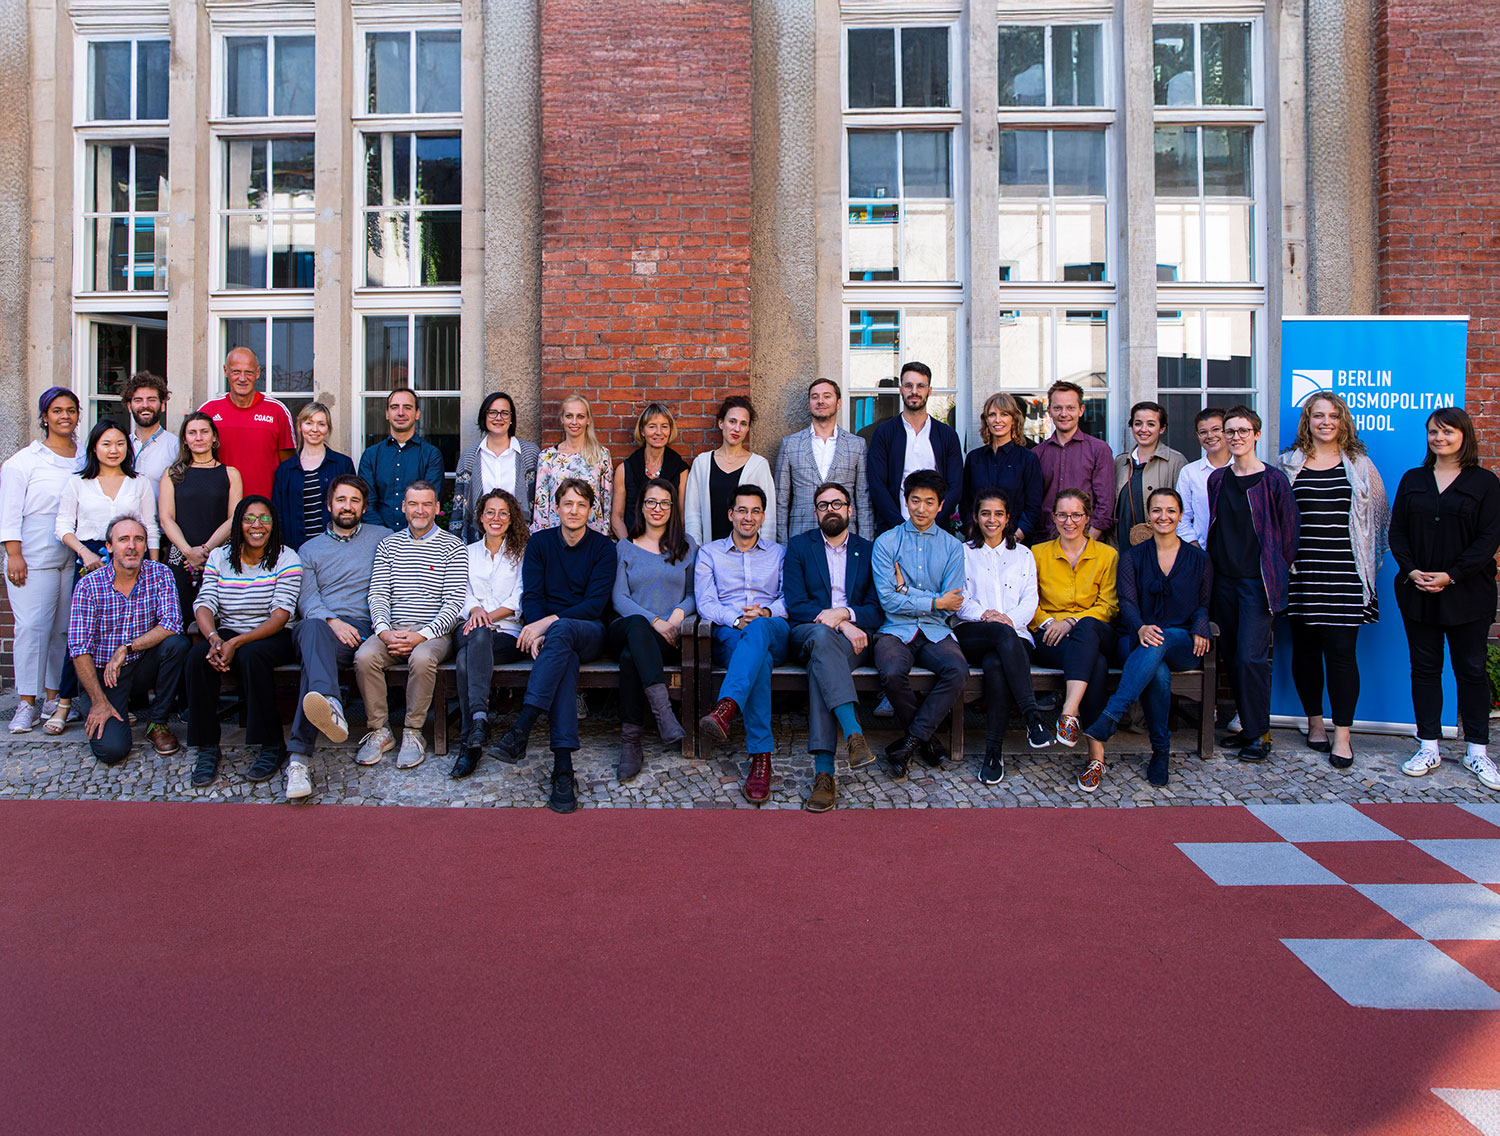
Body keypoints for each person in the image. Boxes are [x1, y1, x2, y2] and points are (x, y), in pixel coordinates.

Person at [1392, 407, 1500, 792]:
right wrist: (1411, 570)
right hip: (1417, 591)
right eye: (1433, 432)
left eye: (1447, 432)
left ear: (1464, 436)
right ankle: (1428, 745)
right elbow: (1397, 532)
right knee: (1424, 669)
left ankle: (1477, 750)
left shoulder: (1485, 483)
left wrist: (1452, 575)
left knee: (1471, 669)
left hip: (1469, 593)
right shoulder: (1414, 479)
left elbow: (1489, 540)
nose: (1439, 438)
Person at [494, 479, 617, 814]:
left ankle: (524, 724)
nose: (574, 510)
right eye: (567, 504)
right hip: (556, 640)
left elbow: (594, 605)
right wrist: (540, 629)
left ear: (591, 510)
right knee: (564, 662)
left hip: (590, 632)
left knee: (562, 633)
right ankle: (563, 768)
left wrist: (544, 626)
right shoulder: (539, 544)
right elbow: (532, 595)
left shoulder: (604, 549)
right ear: (556, 508)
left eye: (581, 505)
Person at [1280, 392, 1388, 768]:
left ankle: (1343, 733)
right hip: (1302, 575)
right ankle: (1314, 723)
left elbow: (1379, 522)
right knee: (1306, 653)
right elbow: (1274, 519)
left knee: (1342, 655)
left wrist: (1367, 570)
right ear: (1307, 420)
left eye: (1334, 416)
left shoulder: (1360, 465)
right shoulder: (1288, 465)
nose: (1326, 422)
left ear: (1343, 421)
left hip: (1345, 575)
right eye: (1318, 415)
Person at [1081, 488, 1211, 788]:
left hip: (1181, 641)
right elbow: (1125, 602)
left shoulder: (1199, 559)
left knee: (1161, 640)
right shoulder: (1131, 557)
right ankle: (1160, 751)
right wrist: (1139, 627)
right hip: (1136, 640)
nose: (1163, 516)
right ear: (1148, 516)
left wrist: (1202, 623)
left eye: (1170, 510)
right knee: (1158, 673)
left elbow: (1204, 603)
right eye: (1156, 510)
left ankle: (1111, 714)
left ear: (1179, 515)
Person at [287, 475, 392, 801]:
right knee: (313, 629)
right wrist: (332, 621)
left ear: (364, 507)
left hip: (364, 629)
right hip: (322, 627)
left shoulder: (383, 538)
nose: (348, 506)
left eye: (355, 501)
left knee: (313, 674)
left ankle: (299, 761)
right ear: (329, 505)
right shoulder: (309, 549)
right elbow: (306, 600)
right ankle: (329, 701)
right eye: (342, 500)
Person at [185, 496, 302, 788]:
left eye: (264, 518)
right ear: (239, 523)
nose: (257, 525)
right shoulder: (219, 557)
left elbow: (280, 614)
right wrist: (213, 639)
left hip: (275, 634)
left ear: (273, 524)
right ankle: (207, 746)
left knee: (251, 654)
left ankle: (271, 744)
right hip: (228, 630)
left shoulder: (287, 558)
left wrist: (235, 644)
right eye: (249, 518)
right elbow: (204, 602)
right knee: (198, 657)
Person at [1207, 406, 1298, 764]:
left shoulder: (1274, 481)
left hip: (1256, 584)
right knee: (1232, 656)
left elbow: (1289, 537)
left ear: (1256, 435)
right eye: (1230, 431)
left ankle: (1260, 733)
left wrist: (1273, 570)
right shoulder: (1218, 479)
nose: (1236, 437)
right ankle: (1247, 729)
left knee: (1251, 657)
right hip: (1223, 582)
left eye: (1244, 431)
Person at [354, 481, 467, 771]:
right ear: (403, 507)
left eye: (427, 504)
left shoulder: (453, 547)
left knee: (422, 657)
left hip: (434, 632)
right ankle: (379, 730)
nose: (420, 510)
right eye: (413, 504)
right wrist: (383, 630)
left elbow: (454, 603)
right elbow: (378, 593)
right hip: (393, 627)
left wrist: (421, 636)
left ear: (437, 509)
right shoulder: (389, 545)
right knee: (365, 657)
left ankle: (413, 732)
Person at [783, 481, 881, 812]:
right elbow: (795, 605)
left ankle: (824, 775)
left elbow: (876, 608)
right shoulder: (799, 547)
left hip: (853, 641)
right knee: (823, 640)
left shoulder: (868, 550)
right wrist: (841, 621)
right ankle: (853, 732)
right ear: (815, 513)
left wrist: (848, 614)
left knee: (821, 667)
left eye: (837, 504)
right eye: (823, 505)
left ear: (850, 510)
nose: (831, 510)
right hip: (807, 634)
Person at [65, 514, 187, 765]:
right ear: (109, 547)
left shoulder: (160, 574)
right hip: (104, 676)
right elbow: (79, 649)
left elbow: (172, 624)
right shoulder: (89, 586)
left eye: (138, 539)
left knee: (177, 645)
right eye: (123, 539)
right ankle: (104, 704)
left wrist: (127, 647)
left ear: (145, 545)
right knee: (112, 751)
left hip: (141, 665)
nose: (131, 546)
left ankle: (158, 722)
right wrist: (98, 702)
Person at [697, 484, 790, 805]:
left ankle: (726, 707)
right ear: (730, 515)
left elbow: (791, 598)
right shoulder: (709, 554)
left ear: (763, 516)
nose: (748, 517)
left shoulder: (779, 554)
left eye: (754, 511)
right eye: (741, 510)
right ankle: (761, 757)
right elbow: (706, 602)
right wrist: (736, 619)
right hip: (731, 634)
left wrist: (765, 612)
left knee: (761, 631)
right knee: (757, 661)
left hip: (774, 630)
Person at [872, 470, 968, 778]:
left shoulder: (953, 547)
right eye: (915, 501)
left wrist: (908, 591)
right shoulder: (886, 543)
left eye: (929, 502)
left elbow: (951, 602)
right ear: (906, 501)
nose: (921, 509)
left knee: (957, 670)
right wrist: (933, 601)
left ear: (941, 506)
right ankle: (926, 740)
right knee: (890, 671)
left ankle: (910, 742)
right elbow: (888, 601)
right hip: (895, 630)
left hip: (936, 630)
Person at [954, 488, 1052, 786]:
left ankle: (993, 752)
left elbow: (1030, 599)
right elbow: (961, 598)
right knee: (998, 635)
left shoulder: (1023, 554)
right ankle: (1032, 717)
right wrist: (987, 616)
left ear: (1008, 518)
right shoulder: (963, 552)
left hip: (1014, 635)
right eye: (985, 513)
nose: (992, 519)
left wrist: (1008, 620)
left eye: (998, 513)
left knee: (997, 664)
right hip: (973, 632)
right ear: (975, 517)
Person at [2, 388, 83, 734]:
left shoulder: (84, 456)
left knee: (62, 629)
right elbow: (9, 511)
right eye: (56, 410)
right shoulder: (23, 461)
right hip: (33, 550)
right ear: (44, 416)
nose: (64, 416)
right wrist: (13, 553)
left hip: (73, 552)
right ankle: (26, 702)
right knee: (32, 627)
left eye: (70, 410)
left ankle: (53, 698)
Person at [1031, 487, 1119, 791]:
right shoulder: (1037, 553)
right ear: (1053, 517)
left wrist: (1071, 621)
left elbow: (1109, 606)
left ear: (1087, 517)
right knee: (1096, 663)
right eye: (1063, 515)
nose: (1070, 521)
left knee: (1088, 629)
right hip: (1050, 638)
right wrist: (1049, 622)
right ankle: (1097, 758)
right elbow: (1029, 604)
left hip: (1093, 630)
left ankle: (1068, 712)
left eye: (1076, 515)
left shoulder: (1107, 555)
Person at [610, 477, 696, 781]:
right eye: (651, 502)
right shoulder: (625, 547)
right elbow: (619, 598)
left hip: (668, 636)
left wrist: (676, 615)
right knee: (636, 626)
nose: (657, 508)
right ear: (641, 507)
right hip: (628, 626)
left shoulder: (687, 546)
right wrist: (654, 620)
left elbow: (694, 594)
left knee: (630, 658)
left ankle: (630, 742)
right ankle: (663, 713)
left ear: (673, 508)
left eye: (664, 503)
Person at [451, 489, 528, 780]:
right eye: (490, 513)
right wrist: (476, 613)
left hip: (507, 634)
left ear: (511, 519)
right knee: (477, 636)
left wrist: (486, 616)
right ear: (481, 517)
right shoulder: (465, 552)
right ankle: (480, 719)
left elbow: (520, 598)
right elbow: (460, 593)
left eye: (503, 513)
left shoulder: (521, 553)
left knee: (463, 661)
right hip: (469, 628)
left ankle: (469, 741)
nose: (496, 518)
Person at [158, 413, 243, 628]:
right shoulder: (172, 474)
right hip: (180, 558)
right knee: (180, 621)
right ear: (185, 440)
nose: (199, 438)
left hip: (218, 557)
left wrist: (205, 551)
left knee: (219, 621)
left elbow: (234, 518)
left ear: (214, 437)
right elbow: (166, 518)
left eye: (204, 432)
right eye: (192, 433)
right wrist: (188, 552)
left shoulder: (230, 473)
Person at [56, 420, 161, 590]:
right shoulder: (77, 483)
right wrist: (84, 552)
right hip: (91, 559)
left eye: (120, 444)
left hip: (133, 558)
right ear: (94, 448)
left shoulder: (140, 483)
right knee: (90, 614)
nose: (114, 450)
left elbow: (150, 527)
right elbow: (62, 527)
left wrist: (154, 567)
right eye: (106, 444)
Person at [866, 361, 963, 534]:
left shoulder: (947, 435)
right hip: (893, 529)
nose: (914, 392)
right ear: (900, 389)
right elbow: (876, 484)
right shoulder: (884, 433)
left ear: (929, 390)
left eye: (921, 386)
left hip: (937, 529)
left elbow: (955, 486)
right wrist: (899, 525)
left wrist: (933, 522)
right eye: (908, 386)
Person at [775, 379, 873, 539]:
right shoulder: (789, 444)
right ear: (809, 404)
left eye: (827, 396)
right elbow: (781, 501)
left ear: (839, 403)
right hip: (802, 532)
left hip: (845, 533)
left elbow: (863, 499)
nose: (820, 401)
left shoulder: (857, 445)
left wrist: (865, 543)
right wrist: (783, 545)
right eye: (815, 397)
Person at [199, 347, 295, 498]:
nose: (242, 378)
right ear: (226, 371)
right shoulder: (208, 411)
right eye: (236, 371)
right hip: (219, 505)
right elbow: (195, 462)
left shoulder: (277, 411)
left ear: (257, 373)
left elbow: (289, 467)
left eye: (248, 372)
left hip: (264, 508)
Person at [685, 395, 777, 546]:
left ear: (748, 428)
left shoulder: (759, 465)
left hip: (749, 556)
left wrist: (762, 554)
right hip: (710, 554)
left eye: (743, 424)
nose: (737, 429)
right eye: (732, 421)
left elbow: (769, 518)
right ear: (721, 423)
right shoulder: (702, 463)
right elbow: (692, 513)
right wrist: (697, 550)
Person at [450, 391, 541, 539]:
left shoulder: (529, 453)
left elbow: (538, 504)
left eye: (505, 413)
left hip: (522, 538)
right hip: (481, 538)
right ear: (484, 416)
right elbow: (459, 506)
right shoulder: (469, 457)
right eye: (492, 412)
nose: (498, 418)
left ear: (511, 418)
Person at [1035, 381, 1114, 541]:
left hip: (1086, 538)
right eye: (1058, 408)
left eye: (1070, 408)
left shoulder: (1099, 449)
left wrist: (1088, 541)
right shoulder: (1037, 454)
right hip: (1046, 541)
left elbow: (1105, 502)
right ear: (1049, 411)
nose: (1064, 414)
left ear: (1081, 410)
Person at [358, 388, 446, 531]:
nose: (400, 413)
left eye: (407, 407)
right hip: (378, 539)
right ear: (387, 414)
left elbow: (429, 503)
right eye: (394, 407)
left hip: (418, 539)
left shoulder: (431, 455)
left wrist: (407, 539)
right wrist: (385, 536)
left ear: (417, 413)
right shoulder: (371, 455)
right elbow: (367, 504)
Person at [959, 392, 1044, 540]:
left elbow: (1033, 506)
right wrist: (972, 533)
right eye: (992, 415)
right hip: (979, 543)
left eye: (1004, 414)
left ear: (1014, 420)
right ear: (986, 420)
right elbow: (965, 502)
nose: (998, 420)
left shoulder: (1027, 458)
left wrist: (1015, 538)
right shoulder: (974, 458)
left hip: (1016, 542)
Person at [271, 401, 355, 550]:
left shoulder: (343, 464)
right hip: (296, 549)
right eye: (309, 423)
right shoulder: (285, 469)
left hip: (334, 549)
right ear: (300, 426)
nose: (315, 429)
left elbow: (352, 508)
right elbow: (278, 514)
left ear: (328, 428)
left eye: (321, 424)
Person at [531, 394, 613, 534]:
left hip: (592, 534)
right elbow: (541, 504)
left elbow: (606, 502)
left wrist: (604, 534)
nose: (574, 422)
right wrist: (541, 538)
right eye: (569, 416)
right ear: (562, 419)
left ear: (588, 420)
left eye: (580, 416)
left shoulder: (601, 455)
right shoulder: (548, 457)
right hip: (556, 535)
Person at [611, 403, 690, 541]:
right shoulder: (624, 469)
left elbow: (682, 517)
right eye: (652, 426)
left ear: (670, 430)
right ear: (642, 430)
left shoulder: (680, 470)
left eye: (664, 426)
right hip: (633, 546)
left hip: (668, 549)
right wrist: (631, 547)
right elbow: (617, 518)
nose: (659, 432)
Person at [1113, 401, 1187, 547]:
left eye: (1151, 424)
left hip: (1160, 549)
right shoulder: (1120, 462)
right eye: (1138, 423)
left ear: (1162, 428)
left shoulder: (1176, 461)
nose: (1143, 429)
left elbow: (1184, 513)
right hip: (1121, 547)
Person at [1176, 408, 1230, 546]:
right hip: (1202, 551)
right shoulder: (1189, 472)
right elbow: (1182, 517)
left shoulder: (1243, 469)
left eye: (1216, 429)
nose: (1210, 436)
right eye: (1203, 432)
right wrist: (1195, 547)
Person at [122, 371, 175, 507]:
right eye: (138, 400)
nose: (145, 405)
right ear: (129, 406)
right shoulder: (119, 446)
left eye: (151, 400)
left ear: (162, 405)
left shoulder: (176, 447)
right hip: (123, 525)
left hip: (160, 526)